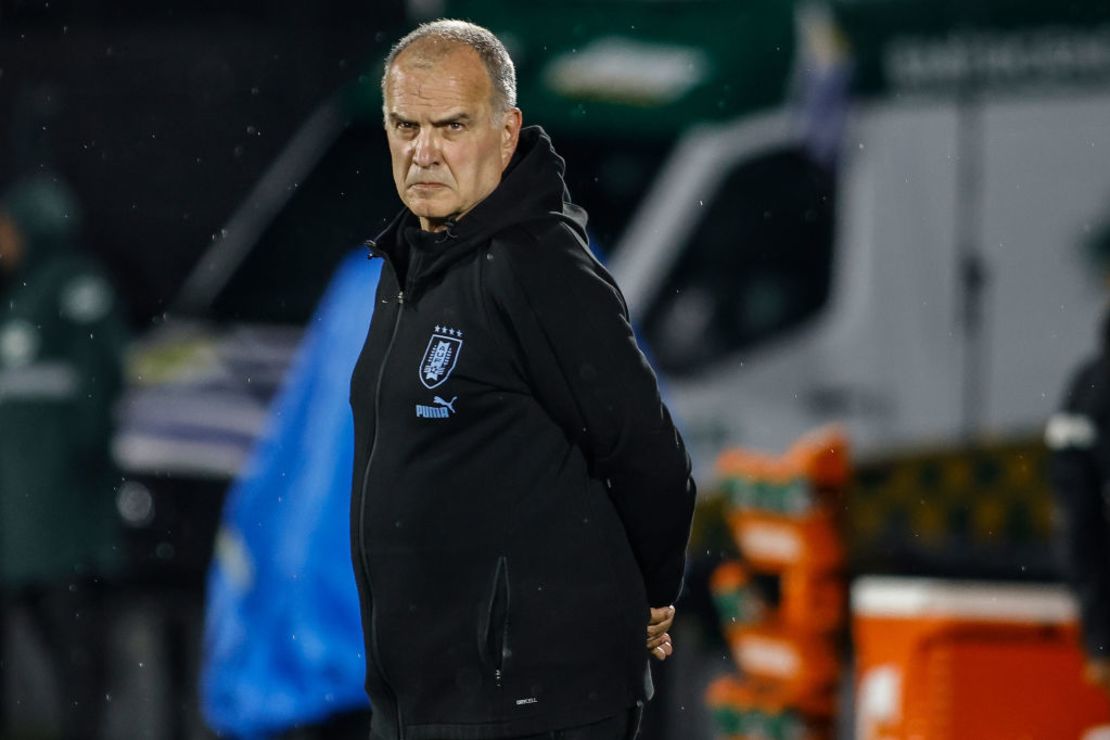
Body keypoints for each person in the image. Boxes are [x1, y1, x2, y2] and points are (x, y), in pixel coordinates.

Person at [348, 19, 697, 740]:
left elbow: (649, 454)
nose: (423, 152)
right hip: (428, 699)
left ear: (506, 135)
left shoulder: (534, 263)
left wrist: (653, 592)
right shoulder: (410, 263)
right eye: (405, 125)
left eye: (451, 127)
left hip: (531, 705)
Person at [0, 174, 129, 738]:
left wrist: (85, 467)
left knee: (75, 651)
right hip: (15, 525)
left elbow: (98, 391)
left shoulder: (74, 285)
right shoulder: (13, 292)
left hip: (59, 524)